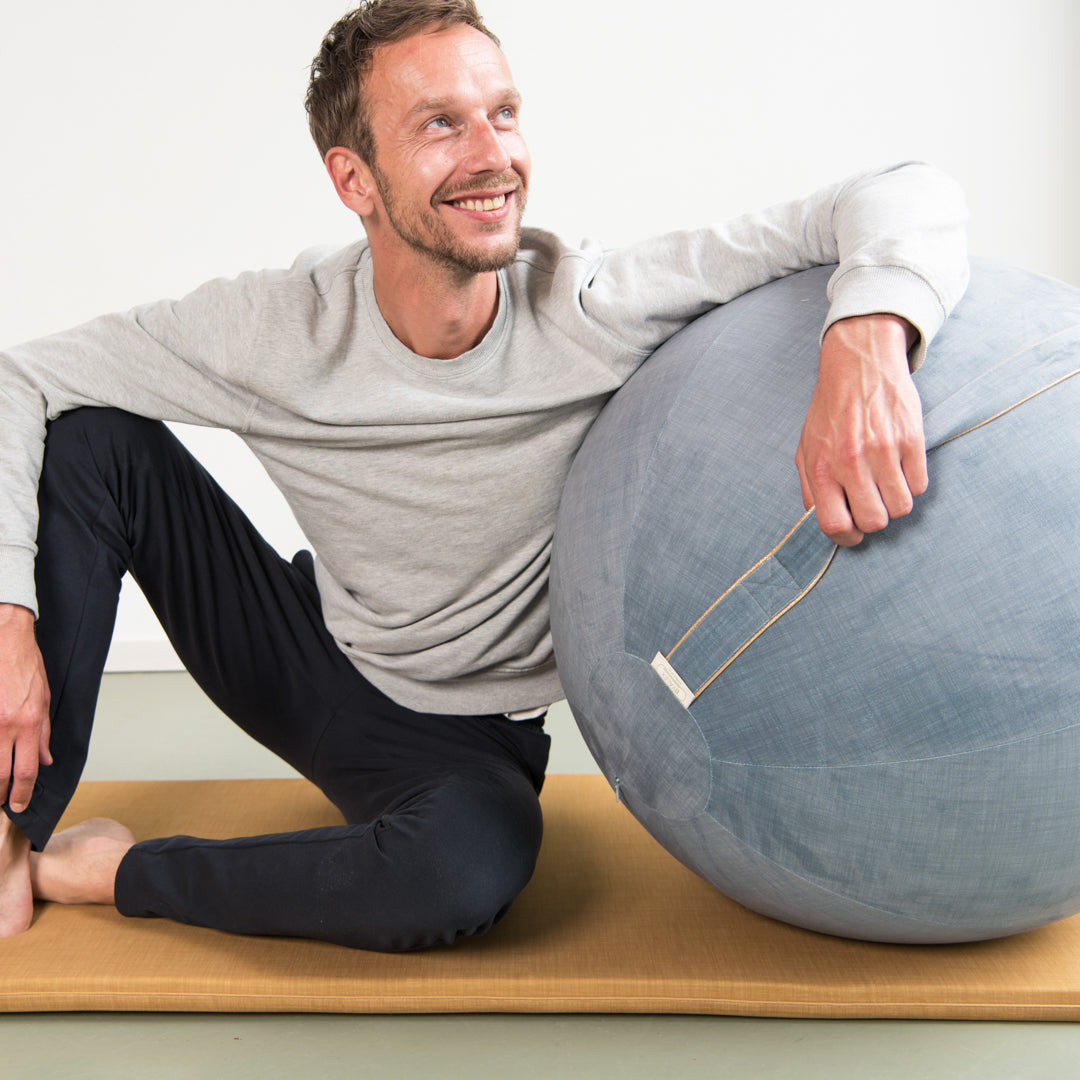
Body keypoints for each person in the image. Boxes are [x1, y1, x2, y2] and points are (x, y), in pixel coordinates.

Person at [0, 0, 969, 950]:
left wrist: (867, 342)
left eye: (502, 112)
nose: (491, 154)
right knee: (92, 442)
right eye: (439, 125)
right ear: (355, 179)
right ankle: (11, 832)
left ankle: (104, 872)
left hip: (469, 742)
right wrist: (8, 613)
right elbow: (22, 376)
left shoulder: (588, 305)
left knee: (461, 875)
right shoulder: (273, 329)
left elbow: (899, 190)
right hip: (305, 652)